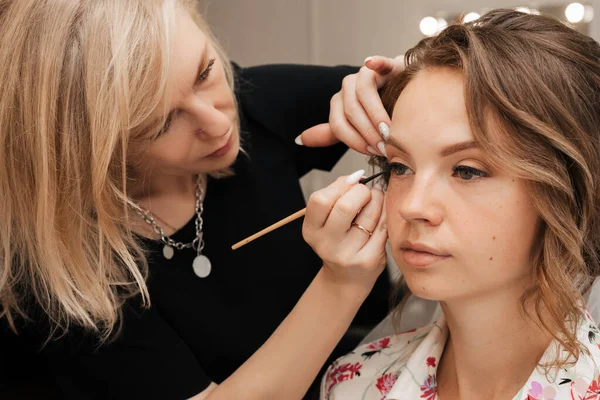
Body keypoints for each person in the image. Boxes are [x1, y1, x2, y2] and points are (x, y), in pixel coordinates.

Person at [0, 1, 404, 399]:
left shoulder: (255, 101)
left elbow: (426, 82)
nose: (218, 123)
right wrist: (340, 285)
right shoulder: (64, 275)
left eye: (205, 72)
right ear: (89, 149)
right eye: (161, 123)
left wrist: (394, 78)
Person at [321, 9, 600, 400]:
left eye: (467, 171)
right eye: (399, 166)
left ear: (565, 191)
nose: (412, 207)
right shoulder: (354, 382)